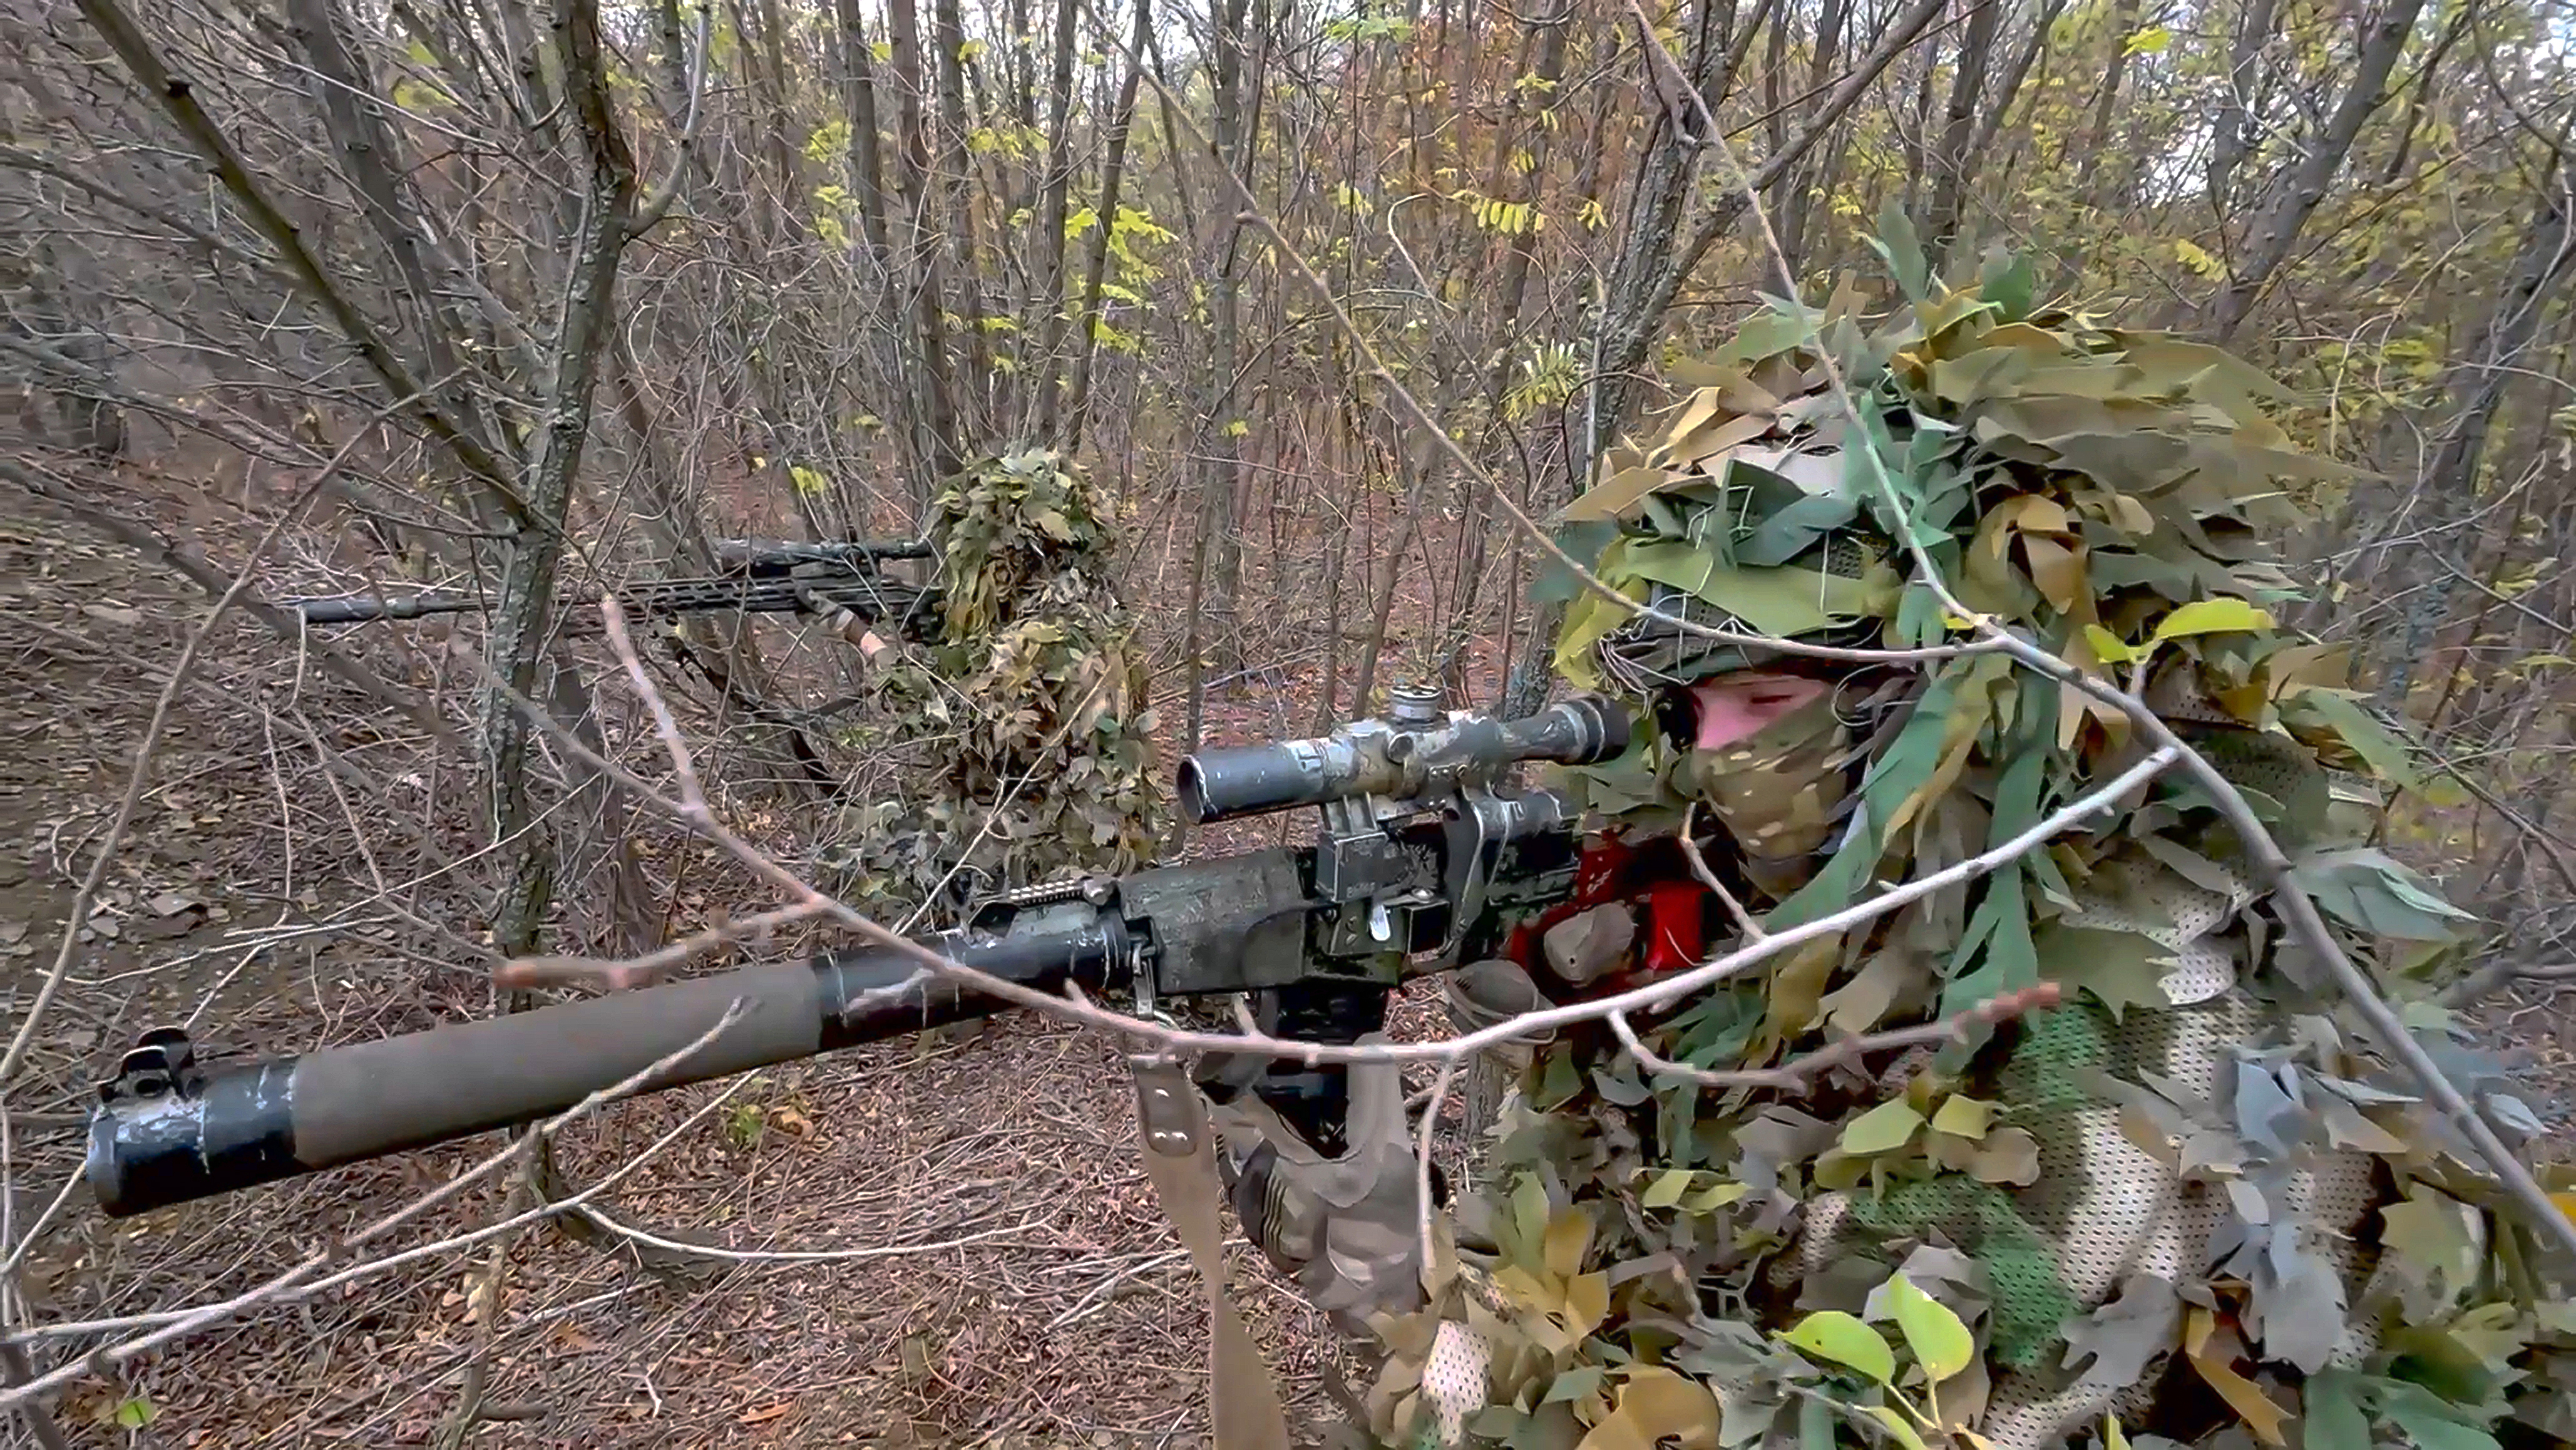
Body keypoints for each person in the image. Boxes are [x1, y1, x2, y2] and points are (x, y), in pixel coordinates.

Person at [1201, 256, 2572, 1449]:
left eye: (1769, 698)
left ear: (1952, 707)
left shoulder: (2118, 1038)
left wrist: (1439, 1305)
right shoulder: (1769, 882)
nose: (1715, 750)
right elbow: (1593, 1269)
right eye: (1685, 705)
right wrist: (1501, 1069)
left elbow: (1887, 1408)